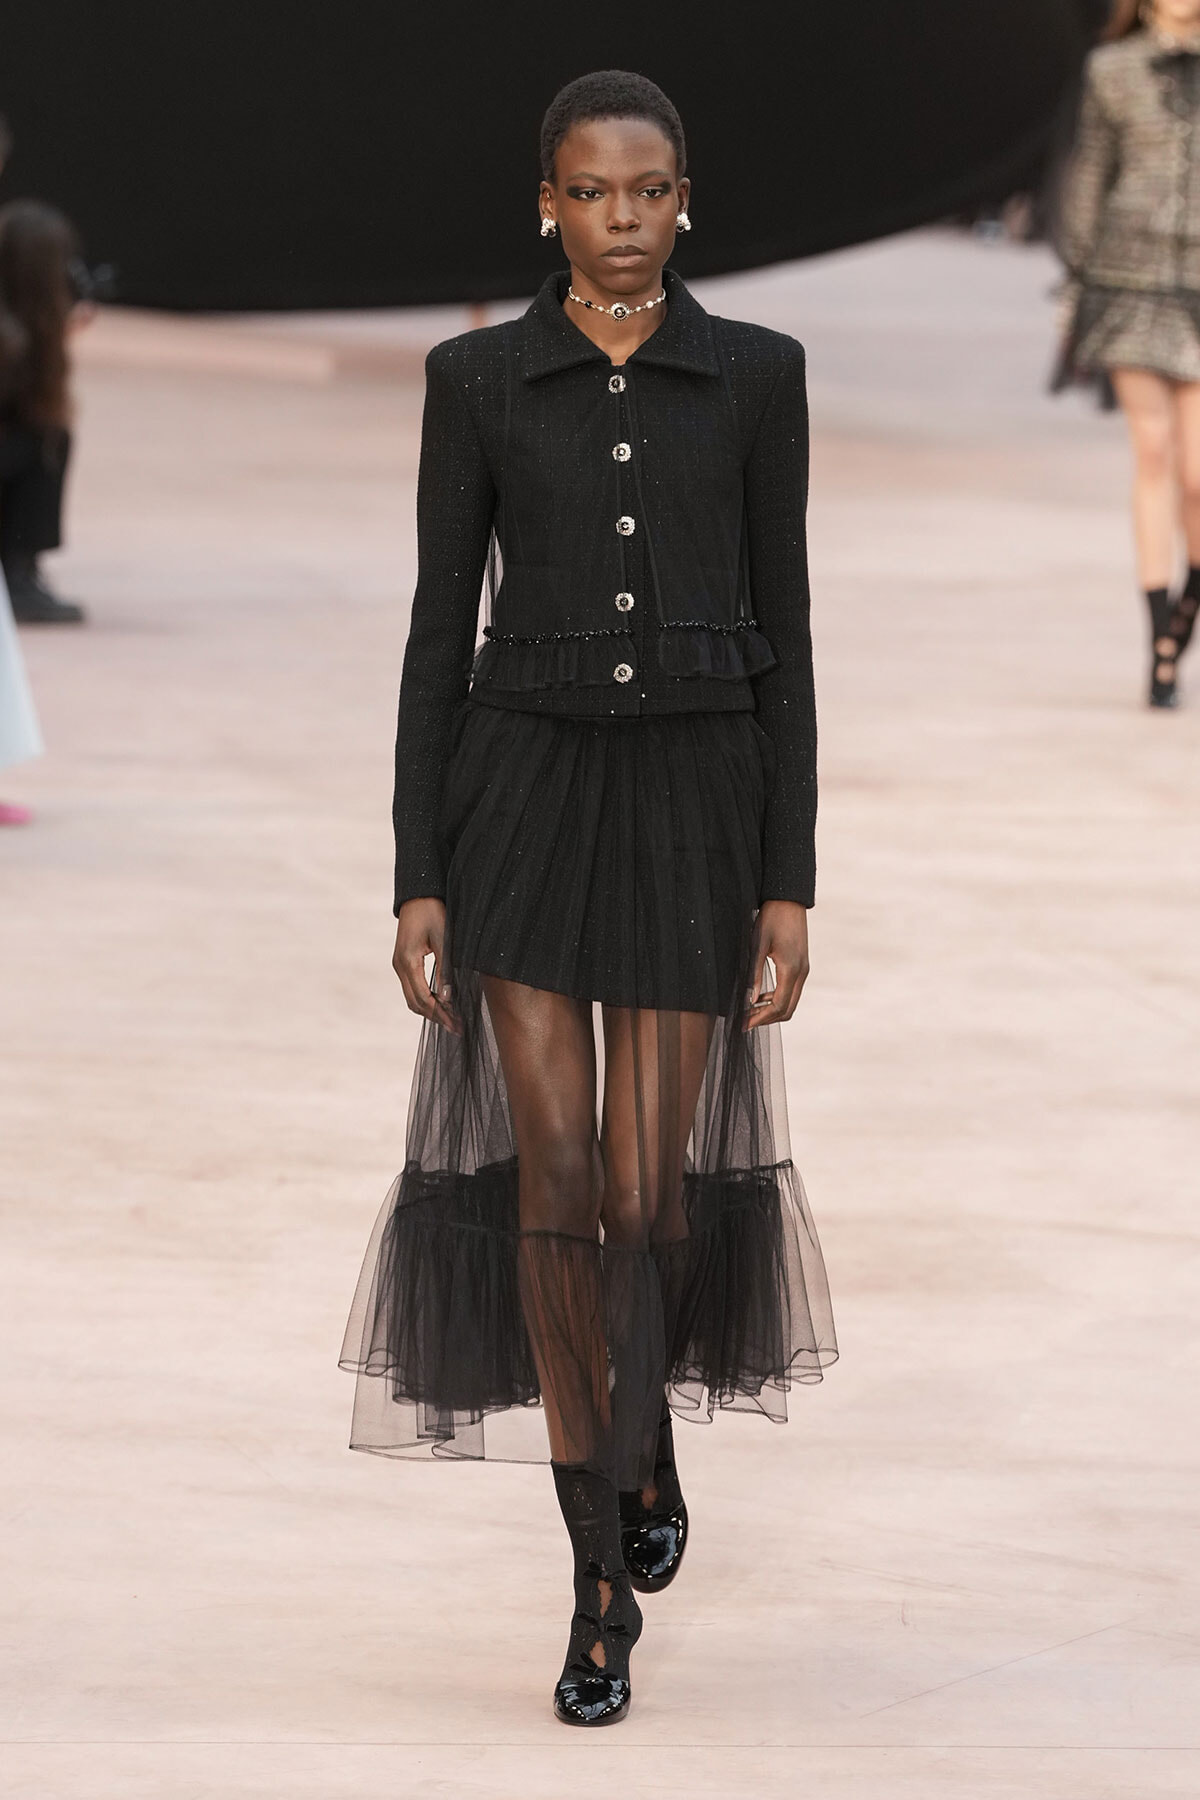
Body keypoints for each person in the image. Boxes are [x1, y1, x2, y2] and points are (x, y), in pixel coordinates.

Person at [340, 69, 837, 1727]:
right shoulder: (477, 380)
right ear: (542, 204)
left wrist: (791, 880)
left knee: (650, 1192)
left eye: (647, 191)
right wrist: (418, 867)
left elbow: (793, 633)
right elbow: (434, 630)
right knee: (555, 1182)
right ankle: (593, 1585)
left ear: (685, 197)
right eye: (587, 192)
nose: (620, 220)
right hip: (526, 805)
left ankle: (646, 1429)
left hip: (698, 806)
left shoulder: (756, 377)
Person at [1052, 0, 1200, 706]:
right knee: (1152, 451)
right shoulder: (1110, 68)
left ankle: (1188, 600)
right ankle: (1159, 642)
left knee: (1198, 474)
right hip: (1129, 277)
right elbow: (1090, 173)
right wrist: (1079, 280)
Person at [0, 200, 87, 625]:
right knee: (46, 440)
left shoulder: (14, 328)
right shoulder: (12, 339)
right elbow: (38, 409)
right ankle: (16, 574)